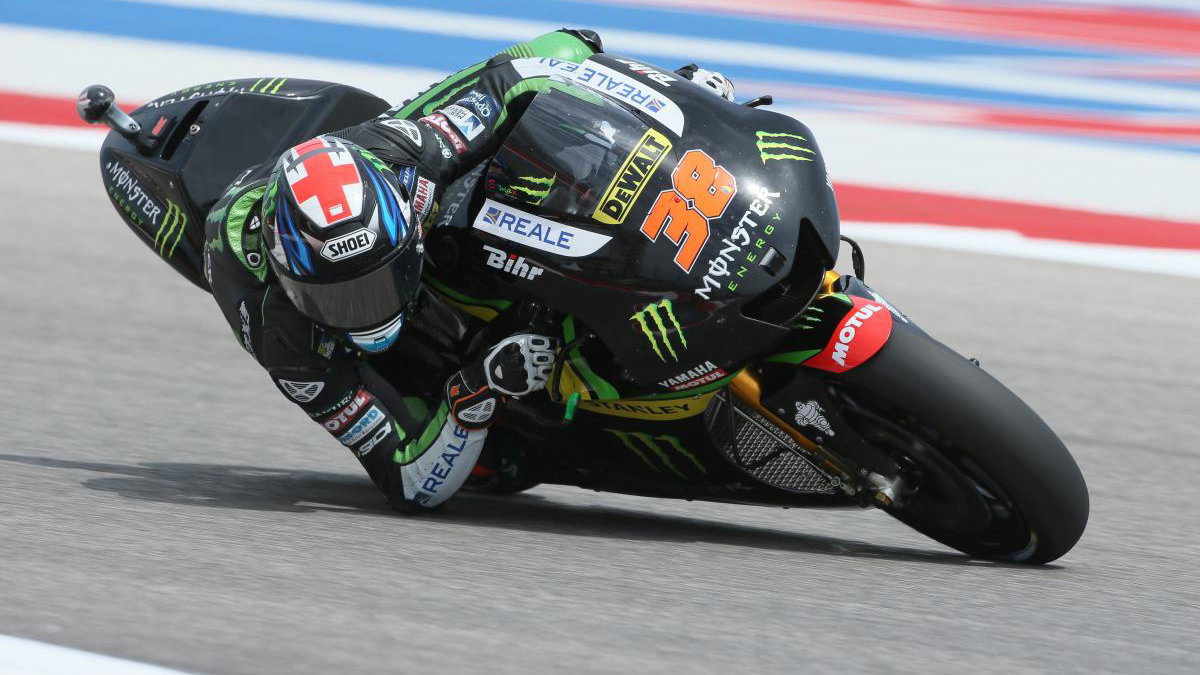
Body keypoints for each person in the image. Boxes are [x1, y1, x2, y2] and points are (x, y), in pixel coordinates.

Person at [202, 29, 737, 510]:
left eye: (376, 283)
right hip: (315, 317)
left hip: (411, 188)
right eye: (336, 299)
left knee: (565, 89)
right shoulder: (285, 340)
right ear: (291, 281)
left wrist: (677, 99)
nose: (366, 311)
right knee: (494, 460)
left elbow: (540, 61)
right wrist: (475, 393)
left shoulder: (413, 155)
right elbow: (408, 481)